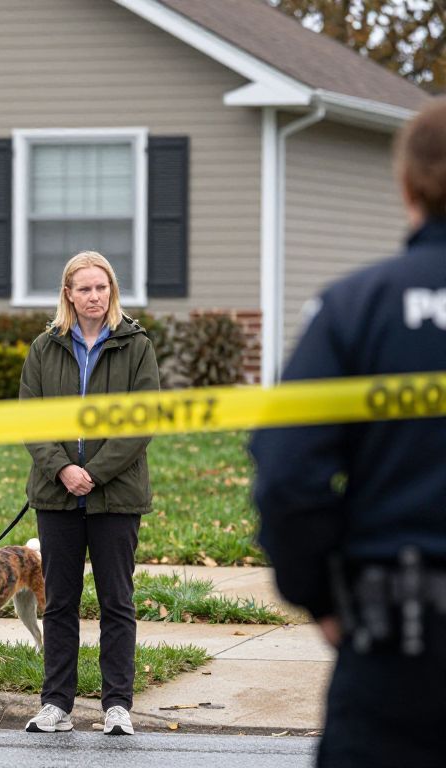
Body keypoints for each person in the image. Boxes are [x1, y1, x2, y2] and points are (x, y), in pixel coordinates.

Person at [250, 99, 446, 767]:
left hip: (399, 647)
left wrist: (319, 595)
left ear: (407, 186)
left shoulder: (355, 309)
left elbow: (286, 472)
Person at [19, 250, 159, 735]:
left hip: (115, 496)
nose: (94, 296)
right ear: (69, 294)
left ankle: (117, 706)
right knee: (59, 602)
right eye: (85, 288)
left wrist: (92, 472)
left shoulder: (136, 345)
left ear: (111, 291)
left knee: (116, 601)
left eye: (102, 287)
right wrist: (62, 470)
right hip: (57, 497)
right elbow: (31, 419)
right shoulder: (44, 347)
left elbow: (142, 421)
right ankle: (56, 704)